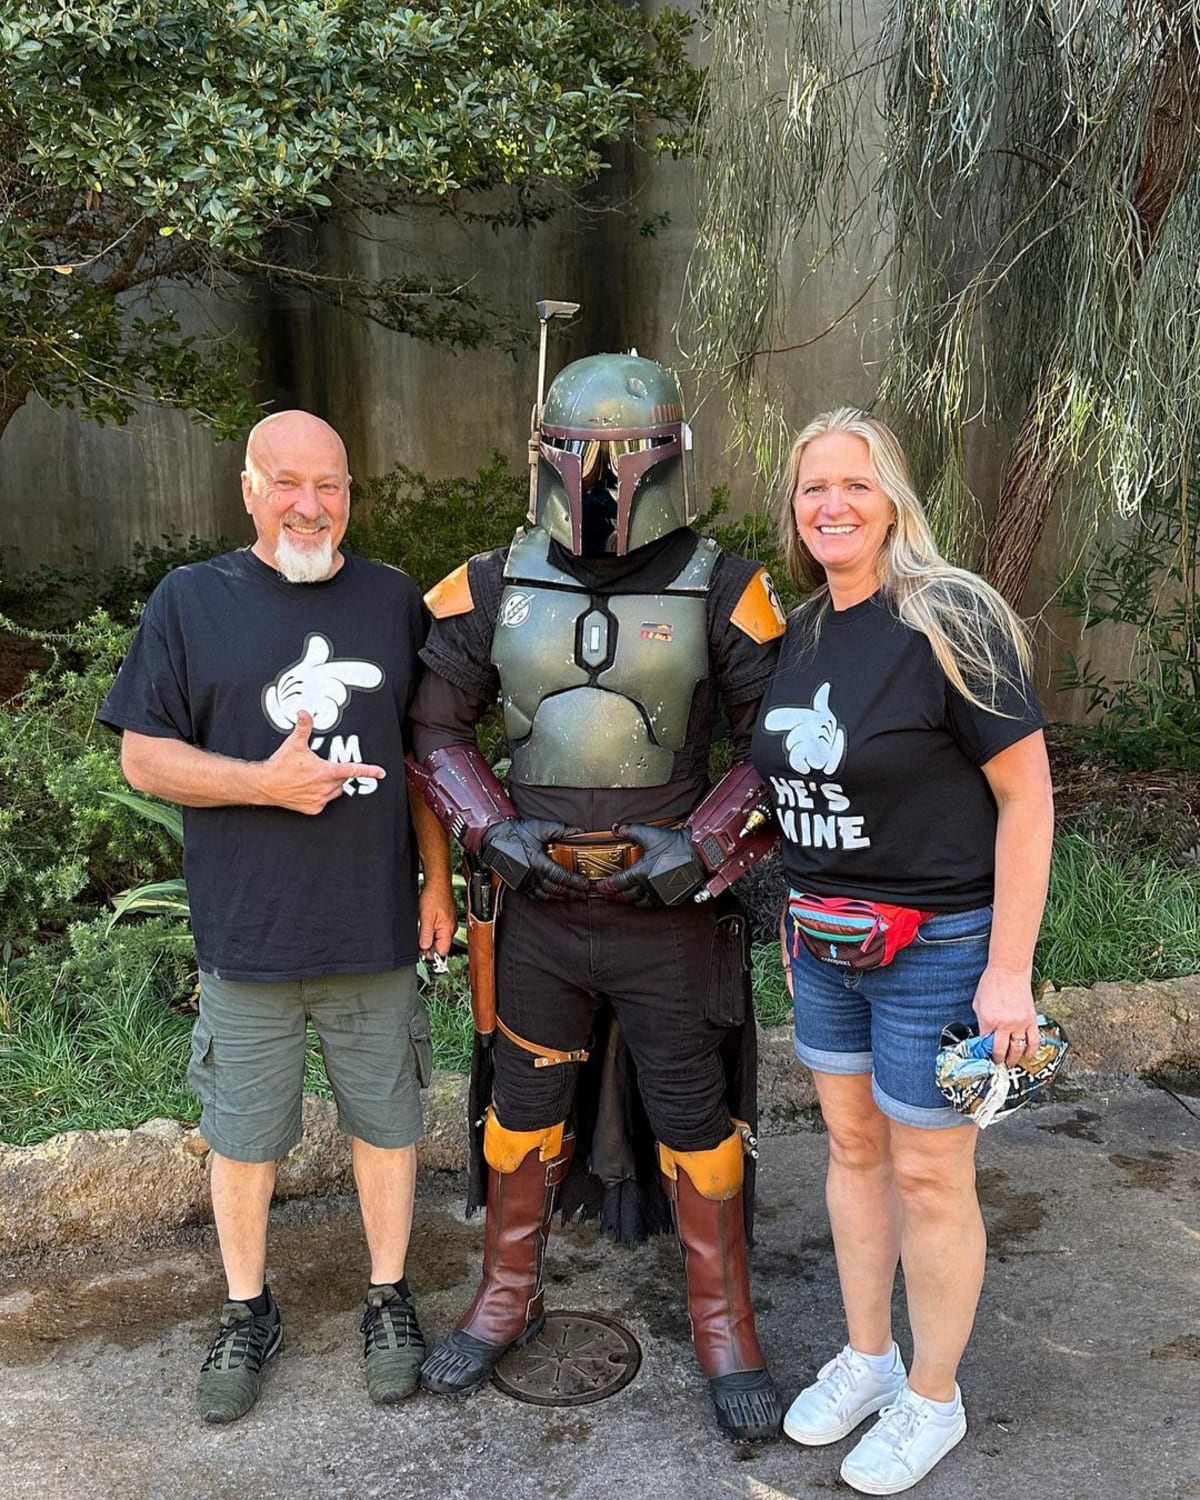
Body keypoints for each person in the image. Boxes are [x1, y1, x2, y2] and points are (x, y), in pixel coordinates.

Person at [407, 350, 787, 1442]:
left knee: (693, 1111)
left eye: (627, 453)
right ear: (546, 455)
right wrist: (491, 829)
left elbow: (780, 746)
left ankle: (724, 1321)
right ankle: (504, 1295)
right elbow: (435, 723)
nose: (605, 479)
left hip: (671, 915)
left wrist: (706, 843)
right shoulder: (489, 583)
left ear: (668, 453)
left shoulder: (726, 584)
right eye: (580, 453)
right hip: (537, 909)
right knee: (519, 1109)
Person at [99, 410, 455, 1424]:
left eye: (332, 485)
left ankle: (389, 1299)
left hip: (374, 924)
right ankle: (248, 1308)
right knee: (246, 1135)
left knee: (387, 1122)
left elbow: (424, 759)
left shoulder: (392, 602)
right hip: (248, 934)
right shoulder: (190, 601)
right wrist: (265, 783)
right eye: (289, 483)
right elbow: (143, 757)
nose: (312, 505)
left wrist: (437, 884)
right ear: (249, 488)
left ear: (350, 494)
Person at [751, 408, 1053, 1493]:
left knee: (930, 1172)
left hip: (943, 946)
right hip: (825, 941)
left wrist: (1007, 972)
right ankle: (868, 1361)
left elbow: (1027, 801)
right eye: (812, 487)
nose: (831, 504)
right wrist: (794, 916)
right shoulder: (802, 630)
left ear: (894, 503)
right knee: (850, 1151)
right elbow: (801, 796)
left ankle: (935, 1396)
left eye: (855, 485)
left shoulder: (948, 616)